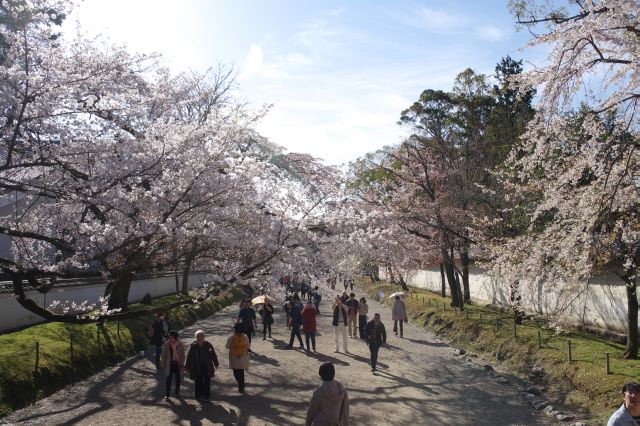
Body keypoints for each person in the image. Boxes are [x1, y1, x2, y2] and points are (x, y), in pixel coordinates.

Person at [185, 330, 220, 402]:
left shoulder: (208, 345)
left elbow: (213, 354)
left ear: (204, 337)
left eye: (201, 336)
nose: (200, 338)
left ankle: (206, 396)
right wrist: (187, 366)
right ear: (196, 337)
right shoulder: (193, 346)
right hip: (197, 366)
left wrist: (216, 363)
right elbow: (189, 356)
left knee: (207, 381)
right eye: (198, 337)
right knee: (198, 381)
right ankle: (198, 395)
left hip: (207, 366)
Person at [225, 323, 250, 394]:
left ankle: (240, 384)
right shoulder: (245, 337)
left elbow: (227, 346)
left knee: (235, 372)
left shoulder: (231, 336)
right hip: (243, 356)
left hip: (234, 356)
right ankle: (241, 386)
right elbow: (248, 346)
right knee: (241, 372)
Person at [160, 330, 185, 399]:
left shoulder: (180, 344)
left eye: (171, 337)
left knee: (178, 380)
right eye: (169, 337)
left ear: (176, 337)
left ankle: (177, 393)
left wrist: (182, 365)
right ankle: (167, 394)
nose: (170, 339)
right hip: (169, 364)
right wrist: (163, 364)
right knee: (168, 380)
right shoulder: (166, 344)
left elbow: (183, 355)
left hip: (177, 364)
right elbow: (163, 355)